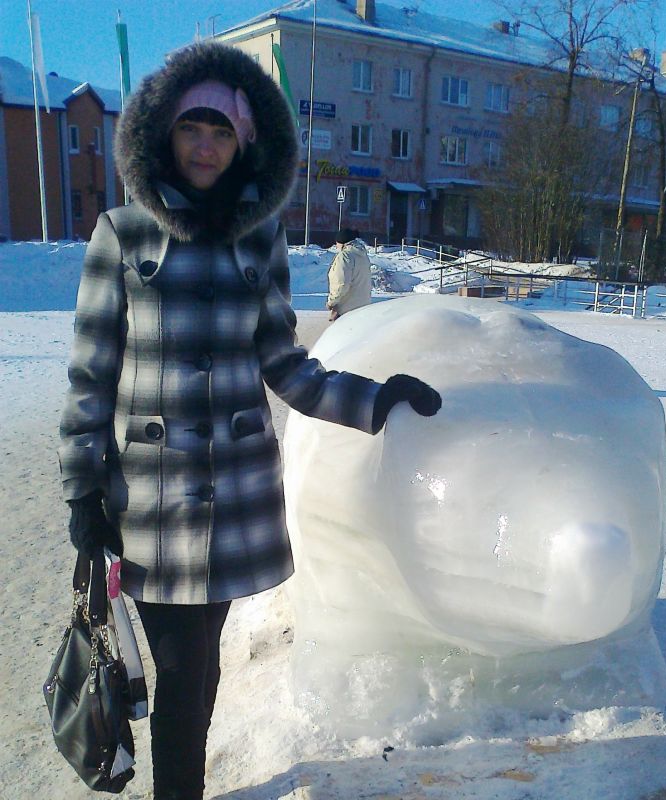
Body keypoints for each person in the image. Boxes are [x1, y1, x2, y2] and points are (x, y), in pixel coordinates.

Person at [58, 42, 440, 800]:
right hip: (153, 503)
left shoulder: (260, 239)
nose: (205, 146)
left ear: (243, 143)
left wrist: (373, 399)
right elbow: (91, 376)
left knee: (200, 670)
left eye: (221, 132)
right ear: (164, 133)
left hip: (236, 498)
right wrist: (81, 493)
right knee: (183, 671)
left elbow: (286, 365)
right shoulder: (123, 234)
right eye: (191, 128)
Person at [326, 227, 372, 320]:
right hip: (363, 307)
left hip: (347, 310)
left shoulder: (345, 256)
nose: (336, 246)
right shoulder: (362, 255)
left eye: (337, 243)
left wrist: (332, 302)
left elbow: (341, 283)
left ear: (341, 243)